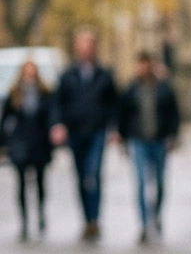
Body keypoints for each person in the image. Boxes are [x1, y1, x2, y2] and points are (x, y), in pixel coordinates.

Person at [50, 29, 117, 240]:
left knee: (93, 173)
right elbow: (57, 104)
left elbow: (114, 105)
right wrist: (58, 124)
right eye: (82, 45)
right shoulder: (67, 75)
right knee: (80, 177)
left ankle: (95, 218)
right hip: (76, 132)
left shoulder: (104, 75)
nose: (85, 49)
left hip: (97, 131)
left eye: (89, 45)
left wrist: (114, 128)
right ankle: (86, 219)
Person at [118, 52, 180, 242]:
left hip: (159, 140)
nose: (143, 68)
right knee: (142, 183)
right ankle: (144, 224)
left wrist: (172, 135)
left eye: (146, 64)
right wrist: (122, 137)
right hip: (139, 141)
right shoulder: (131, 89)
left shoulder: (163, 88)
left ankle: (157, 214)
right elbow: (123, 114)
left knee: (160, 183)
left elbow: (173, 113)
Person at [1, 60, 53, 240]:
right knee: (21, 183)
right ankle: (24, 222)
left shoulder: (44, 92)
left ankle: (40, 214)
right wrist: (4, 144)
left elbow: (51, 116)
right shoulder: (14, 93)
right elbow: (5, 120)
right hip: (21, 142)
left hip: (39, 142)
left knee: (39, 182)